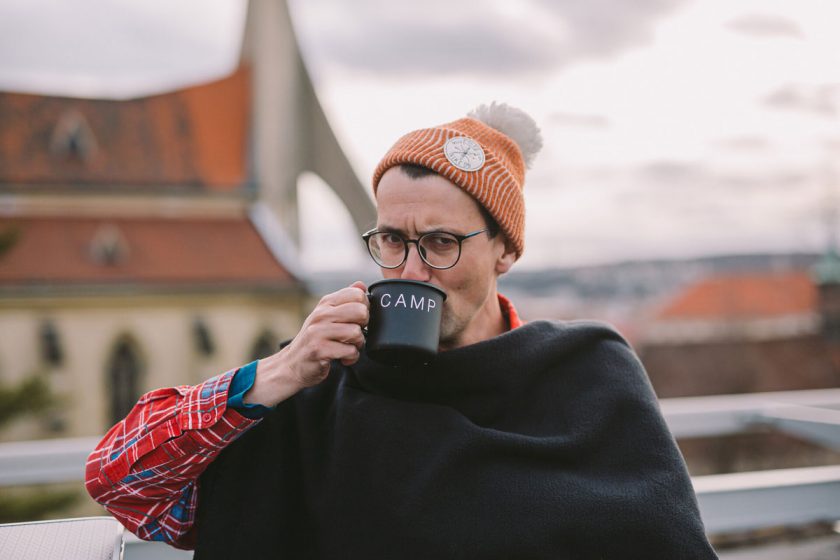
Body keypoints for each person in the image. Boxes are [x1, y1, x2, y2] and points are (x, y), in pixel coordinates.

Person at [86, 103, 718, 559]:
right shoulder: (316, 384)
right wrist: (280, 372)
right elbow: (119, 482)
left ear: (505, 252)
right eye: (391, 240)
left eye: (441, 242)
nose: (411, 270)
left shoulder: (585, 372)